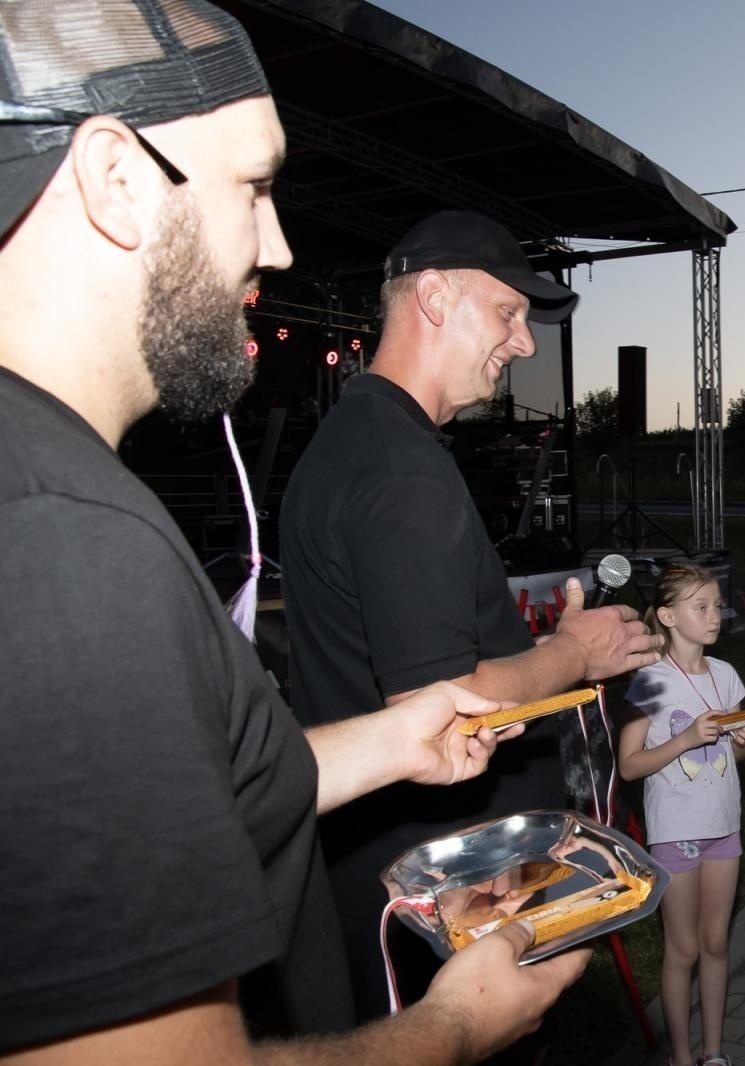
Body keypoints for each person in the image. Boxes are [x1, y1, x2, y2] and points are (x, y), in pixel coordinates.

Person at [0, 2, 587, 1061]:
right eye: (255, 186)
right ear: (113, 178)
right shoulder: (61, 541)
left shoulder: (50, 485)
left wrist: (381, 744)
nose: (277, 242)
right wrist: (454, 1026)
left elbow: (178, 794)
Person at [279, 208, 663, 1017]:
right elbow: (439, 710)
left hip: (386, 869)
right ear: (434, 296)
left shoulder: (354, 438)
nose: (523, 344)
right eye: (509, 313)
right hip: (437, 898)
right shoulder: (403, 476)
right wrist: (574, 653)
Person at [617, 564, 745, 1066]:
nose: (715, 615)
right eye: (700, 607)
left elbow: (733, 758)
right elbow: (630, 766)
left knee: (716, 942)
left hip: (724, 824)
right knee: (682, 949)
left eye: (717, 604)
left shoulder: (726, 676)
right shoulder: (649, 682)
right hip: (676, 830)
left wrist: (742, 740)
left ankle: (714, 1050)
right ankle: (681, 1056)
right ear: (667, 616)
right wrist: (684, 739)